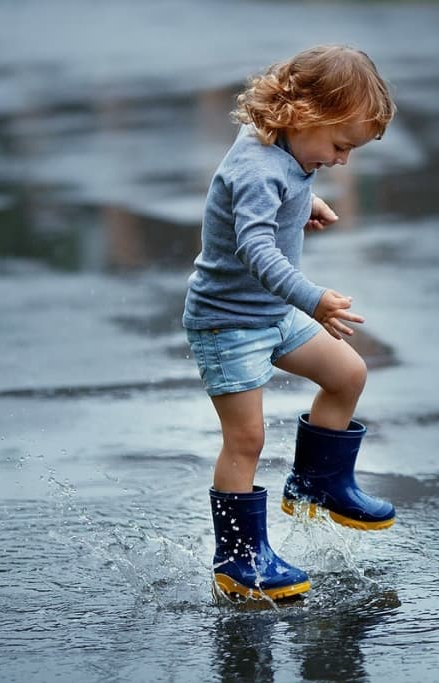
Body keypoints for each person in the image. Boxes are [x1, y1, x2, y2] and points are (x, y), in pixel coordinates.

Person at [182, 45, 397, 602]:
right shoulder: (257, 168)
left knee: (347, 374)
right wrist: (314, 300)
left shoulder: (283, 148)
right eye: (341, 145)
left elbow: (281, 188)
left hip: (270, 315)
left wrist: (305, 204)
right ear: (305, 115)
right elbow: (254, 246)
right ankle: (238, 558)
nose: (344, 159)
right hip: (229, 323)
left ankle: (318, 485)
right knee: (246, 438)